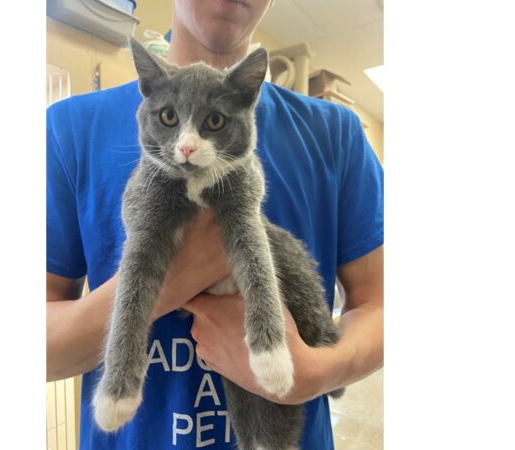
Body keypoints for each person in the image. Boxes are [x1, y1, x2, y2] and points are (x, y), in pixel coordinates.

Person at [46, 0, 383, 448]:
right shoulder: (68, 129)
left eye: (212, 122)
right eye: (169, 118)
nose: (185, 145)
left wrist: (321, 371)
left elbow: (382, 303)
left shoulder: (337, 132)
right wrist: (178, 272)